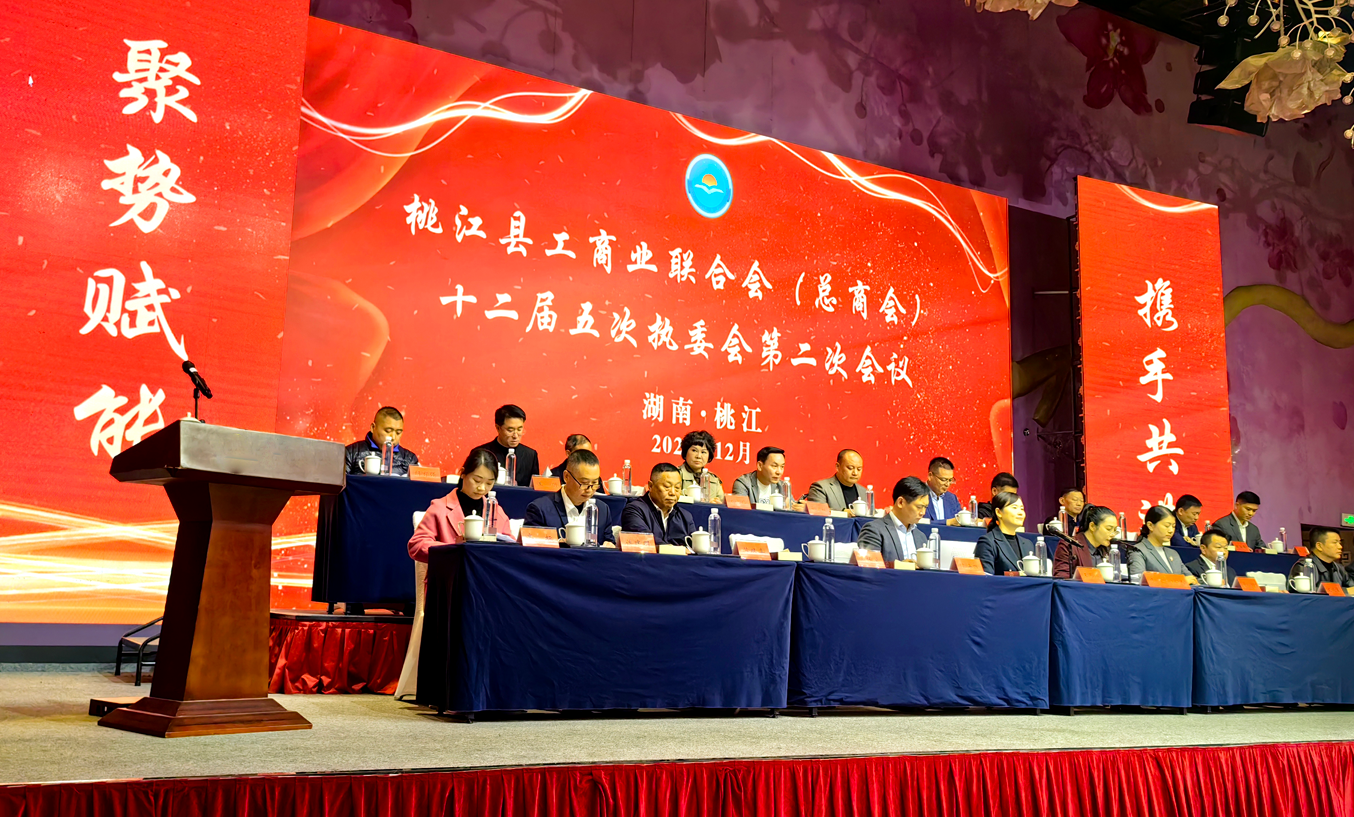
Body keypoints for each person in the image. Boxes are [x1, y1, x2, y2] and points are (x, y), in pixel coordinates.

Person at [407, 448, 513, 562]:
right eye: (477, 481)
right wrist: (454, 551)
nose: (482, 488)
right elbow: (416, 545)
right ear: (462, 473)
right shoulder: (439, 508)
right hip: (450, 570)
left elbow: (512, 549)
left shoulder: (496, 512)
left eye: (489, 483)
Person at [523, 448, 615, 546]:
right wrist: (557, 544)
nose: (589, 489)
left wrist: (609, 546)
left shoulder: (602, 510)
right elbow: (532, 548)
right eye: (584, 483)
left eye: (594, 483)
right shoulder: (540, 509)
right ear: (566, 477)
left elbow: (609, 543)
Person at [621, 462, 696, 546]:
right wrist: (676, 550)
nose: (673, 493)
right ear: (650, 486)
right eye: (667, 487)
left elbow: (694, 546)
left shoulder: (685, 516)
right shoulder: (634, 510)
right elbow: (644, 541)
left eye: (677, 488)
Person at [858, 476, 930, 562]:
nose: (923, 512)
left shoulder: (921, 537)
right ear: (900, 502)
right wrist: (899, 566)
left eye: (925, 507)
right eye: (919, 507)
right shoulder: (874, 531)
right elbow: (869, 565)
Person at [477, 404, 540, 487]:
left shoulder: (530, 455)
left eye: (519, 429)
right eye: (510, 430)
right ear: (498, 428)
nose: (515, 436)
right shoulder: (481, 453)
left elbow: (535, 488)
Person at [345, 406, 419, 476]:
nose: (393, 437)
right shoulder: (351, 453)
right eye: (388, 431)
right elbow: (341, 483)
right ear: (373, 427)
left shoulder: (409, 459)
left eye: (398, 432)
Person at [1128, 505, 1194, 583]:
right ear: (1150, 525)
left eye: (1173, 526)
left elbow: (1191, 579)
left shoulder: (1173, 553)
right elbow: (1138, 580)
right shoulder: (1138, 550)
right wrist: (1179, 581)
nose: (1171, 530)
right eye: (1167, 526)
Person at [973, 492, 1034, 575]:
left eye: (1022, 509)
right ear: (998, 512)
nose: (1020, 513)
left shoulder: (1028, 544)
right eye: (1014, 507)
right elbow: (987, 578)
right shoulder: (988, 542)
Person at [1052, 504, 1117, 579]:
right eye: (1109, 529)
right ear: (1092, 526)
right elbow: (1061, 580)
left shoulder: (1108, 550)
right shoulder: (1069, 546)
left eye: (1115, 530)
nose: (1113, 534)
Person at [806, 449, 864, 514]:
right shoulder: (820, 488)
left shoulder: (864, 492)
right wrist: (845, 512)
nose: (855, 473)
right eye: (850, 468)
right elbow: (817, 513)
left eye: (859, 469)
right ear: (837, 467)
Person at [676, 430, 725, 503]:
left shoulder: (714, 481)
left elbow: (722, 505)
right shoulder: (675, 475)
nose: (698, 456)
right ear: (685, 452)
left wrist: (716, 504)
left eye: (703, 452)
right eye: (694, 450)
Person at [923, 457, 961, 525]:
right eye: (943, 480)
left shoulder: (952, 499)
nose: (947, 484)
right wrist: (947, 523)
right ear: (930, 476)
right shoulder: (917, 495)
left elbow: (959, 523)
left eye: (950, 480)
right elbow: (917, 523)